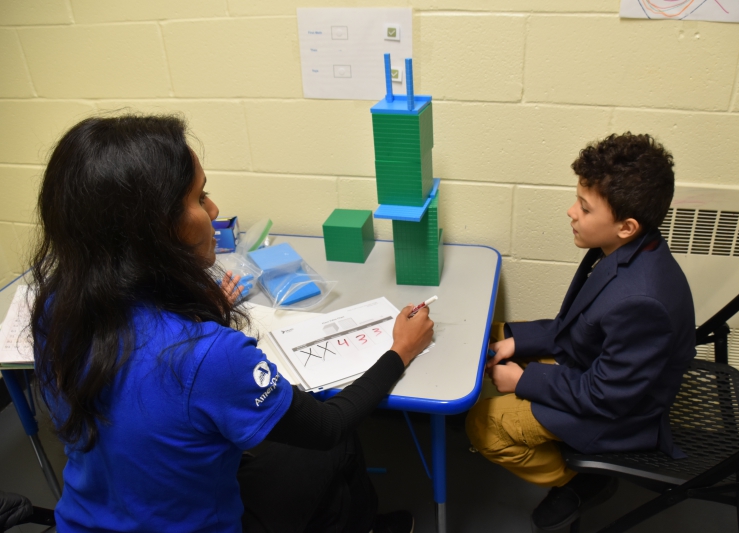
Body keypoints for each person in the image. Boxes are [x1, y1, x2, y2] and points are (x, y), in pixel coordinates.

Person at [30, 114, 434, 533]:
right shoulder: (208, 357)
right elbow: (328, 425)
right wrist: (400, 350)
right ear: (155, 231)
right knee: (334, 443)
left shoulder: (54, 310)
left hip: (86, 520)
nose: (214, 210)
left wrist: (187, 306)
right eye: (200, 198)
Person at [466, 132, 696, 531]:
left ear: (626, 226)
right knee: (489, 336)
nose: (571, 212)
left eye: (585, 208)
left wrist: (523, 380)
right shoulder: (626, 247)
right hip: (596, 369)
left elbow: (603, 396)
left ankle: (582, 481)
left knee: (482, 426)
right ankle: (574, 468)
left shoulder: (643, 302)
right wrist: (516, 340)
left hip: (618, 413)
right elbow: (575, 327)